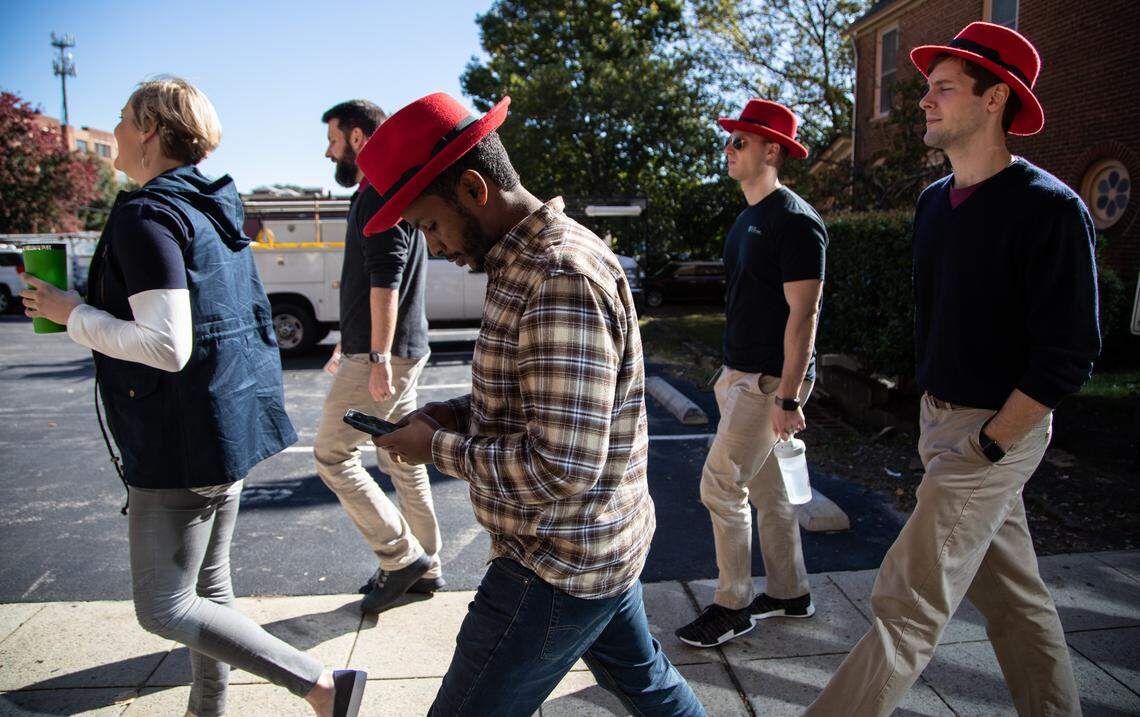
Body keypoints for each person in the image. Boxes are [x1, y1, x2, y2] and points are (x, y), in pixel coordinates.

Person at [20, 77, 366, 717]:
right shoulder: (210, 207)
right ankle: (207, 710)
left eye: (124, 119)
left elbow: (166, 345)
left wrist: (71, 313)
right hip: (223, 428)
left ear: (149, 129)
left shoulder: (146, 213)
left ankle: (321, 684)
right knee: (209, 589)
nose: (117, 131)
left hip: (179, 442)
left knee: (165, 607)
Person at [358, 92, 706, 716]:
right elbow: (537, 398)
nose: (433, 248)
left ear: (473, 187)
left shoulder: (557, 276)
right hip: (596, 545)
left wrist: (435, 449)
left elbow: (562, 467)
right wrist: (453, 415)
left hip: (554, 564)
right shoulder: (518, 262)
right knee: (648, 686)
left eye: (430, 225)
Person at [806, 23, 1100, 716]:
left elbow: (1070, 350)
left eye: (943, 89)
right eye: (927, 90)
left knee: (906, 601)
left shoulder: (1051, 208)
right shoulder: (935, 204)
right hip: (942, 422)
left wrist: (993, 441)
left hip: (993, 433)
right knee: (1016, 601)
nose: (924, 102)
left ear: (995, 98)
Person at [675, 99, 827, 648]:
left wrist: (788, 395)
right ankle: (790, 593)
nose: (730, 148)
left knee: (720, 484)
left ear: (773, 150)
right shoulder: (745, 220)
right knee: (769, 495)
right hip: (737, 376)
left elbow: (804, 314)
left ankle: (732, 604)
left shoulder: (795, 221)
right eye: (730, 139)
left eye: (741, 140)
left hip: (768, 383)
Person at [314, 101, 441, 614]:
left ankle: (400, 556)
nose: (328, 151)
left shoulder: (378, 197)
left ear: (360, 137)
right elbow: (373, 281)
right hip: (393, 348)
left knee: (332, 455)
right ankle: (426, 565)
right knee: (400, 456)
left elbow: (385, 283)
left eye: (334, 139)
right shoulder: (383, 192)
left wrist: (376, 355)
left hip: (383, 354)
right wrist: (351, 344)